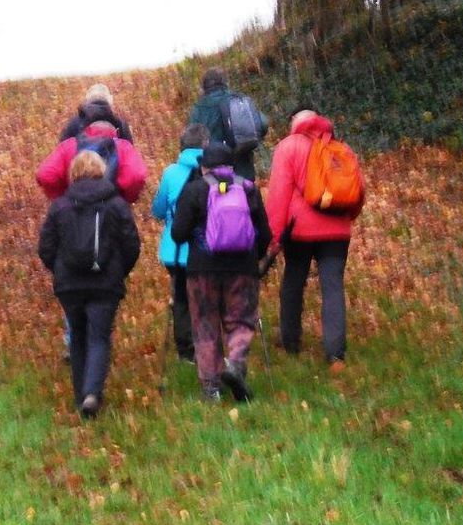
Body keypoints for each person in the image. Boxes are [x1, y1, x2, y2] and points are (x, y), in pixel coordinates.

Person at [38, 151, 141, 418]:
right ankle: (93, 393)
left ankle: (80, 396)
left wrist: (59, 269)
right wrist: (119, 270)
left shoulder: (60, 205)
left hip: (70, 285)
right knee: (99, 337)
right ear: (102, 171)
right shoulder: (116, 204)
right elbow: (131, 243)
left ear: (72, 173)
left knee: (78, 338)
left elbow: (46, 247)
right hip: (105, 283)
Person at [265, 107, 364, 373]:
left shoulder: (288, 147)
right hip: (337, 231)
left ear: (294, 124)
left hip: (299, 231)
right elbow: (357, 191)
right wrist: (346, 218)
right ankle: (335, 355)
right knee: (332, 287)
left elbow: (278, 194)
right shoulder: (340, 148)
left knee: (294, 280)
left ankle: (291, 343)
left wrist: (273, 237)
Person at [171, 143, 271, 402]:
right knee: (240, 321)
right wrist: (253, 258)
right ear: (231, 165)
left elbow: (178, 233)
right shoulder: (248, 189)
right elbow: (265, 233)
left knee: (205, 325)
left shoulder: (194, 190)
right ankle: (235, 365)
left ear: (204, 166)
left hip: (202, 270)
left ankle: (211, 387)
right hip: (242, 269)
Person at [150, 123, 210, 363]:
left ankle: (185, 351)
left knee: (182, 299)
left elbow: (158, 209)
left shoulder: (171, 173)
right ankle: (207, 346)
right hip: (206, 249)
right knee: (205, 298)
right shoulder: (215, 173)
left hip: (174, 250)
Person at [36, 120, 147, 204]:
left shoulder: (69, 145)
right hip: (110, 209)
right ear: (115, 132)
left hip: (73, 208)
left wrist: (61, 198)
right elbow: (136, 176)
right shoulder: (124, 147)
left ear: (87, 131)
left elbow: (46, 175)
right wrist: (125, 199)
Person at [188, 67, 267, 181]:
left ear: (204, 86)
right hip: (242, 173)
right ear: (224, 82)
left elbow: (191, 141)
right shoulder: (239, 99)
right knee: (244, 196)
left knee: (217, 197)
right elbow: (263, 124)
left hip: (213, 176)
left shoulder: (199, 108)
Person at [59, 83, 134, 143]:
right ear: (110, 100)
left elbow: (62, 151)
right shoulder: (119, 124)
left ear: (87, 100)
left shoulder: (74, 123)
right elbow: (130, 154)